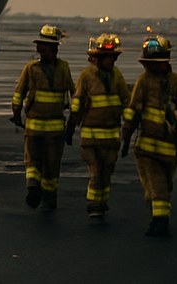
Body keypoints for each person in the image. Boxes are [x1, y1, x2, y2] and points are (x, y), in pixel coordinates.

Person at [120, 36, 177, 237]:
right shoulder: (144, 81)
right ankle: (160, 220)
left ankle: (159, 210)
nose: (154, 68)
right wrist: (127, 135)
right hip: (146, 147)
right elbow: (133, 109)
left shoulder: (176, 82)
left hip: (170, 148)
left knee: (164, 185)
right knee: (156, 183)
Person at [65, 33, 131, 219]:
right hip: (91, 137)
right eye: (109, 58)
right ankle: (93, 204)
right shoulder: (86, 76)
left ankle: (102, 202)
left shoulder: (117, 76)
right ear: (99, 58)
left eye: (114, 58)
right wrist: (71, 126)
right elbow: (77, 102)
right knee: (95, 172)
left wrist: (128, 129)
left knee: (107, 172)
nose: (112, 61)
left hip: (111, 137)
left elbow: (126, 102)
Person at [11, 24, 75, 211]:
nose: (42, 50)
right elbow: (74, 94)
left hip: (35, 128)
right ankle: (46, 196)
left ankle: (34, 188)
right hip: (54, 130)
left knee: (33, 161)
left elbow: (18, 94)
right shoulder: (63, 68)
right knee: (51, 166)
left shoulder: (31, 69)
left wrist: (16, 115)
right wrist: (72, 123)